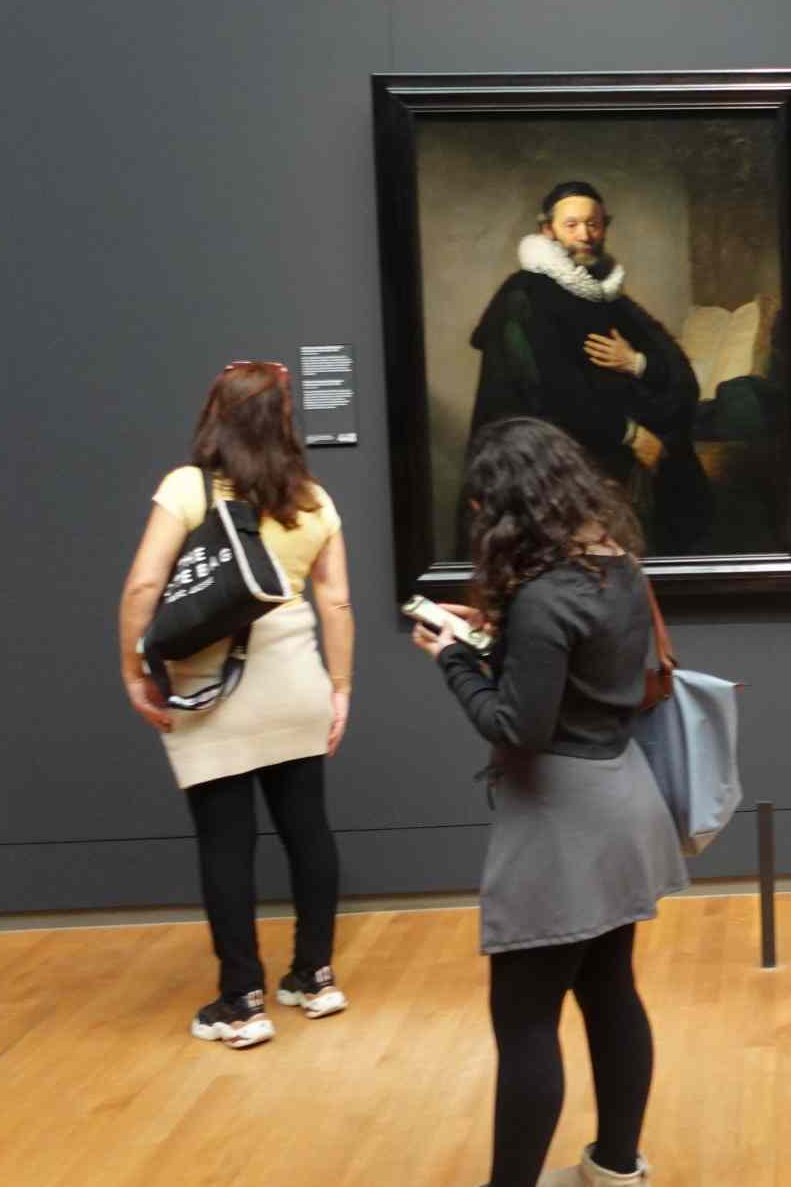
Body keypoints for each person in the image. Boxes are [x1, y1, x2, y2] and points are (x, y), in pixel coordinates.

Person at [410, 416, 686, 1187]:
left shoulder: (542, 598)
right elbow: (581, 668)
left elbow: (516, 725)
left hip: (563, 820)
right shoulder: (617, 566)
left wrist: (452, 659)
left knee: (525, 1019)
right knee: (610, 990)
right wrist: (494, 634)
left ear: (510, 508)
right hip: (622, 795)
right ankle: (617, 1169)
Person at [116, 360, 356, 1050]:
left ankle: (241, 1000)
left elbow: (144, 587)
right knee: (307, 830)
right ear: (285, 422)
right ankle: (315, 976)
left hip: (210, 689)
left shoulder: (188, 488)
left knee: (227, 843)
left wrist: (133, 671)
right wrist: (340, 687)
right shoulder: (311, 498)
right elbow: (336, 601)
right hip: (297, 681)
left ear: (216, 415)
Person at [464, 181, 711, 556]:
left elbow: (677, 370)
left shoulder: (607, 293)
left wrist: (636, 362)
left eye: (593, 224)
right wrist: (631, 434)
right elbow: (548, 391)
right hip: (556, 463)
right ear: (548, 230)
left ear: (604, 228)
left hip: (618, 457)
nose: (585, 235)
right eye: (572, 224)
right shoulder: (524, 295)